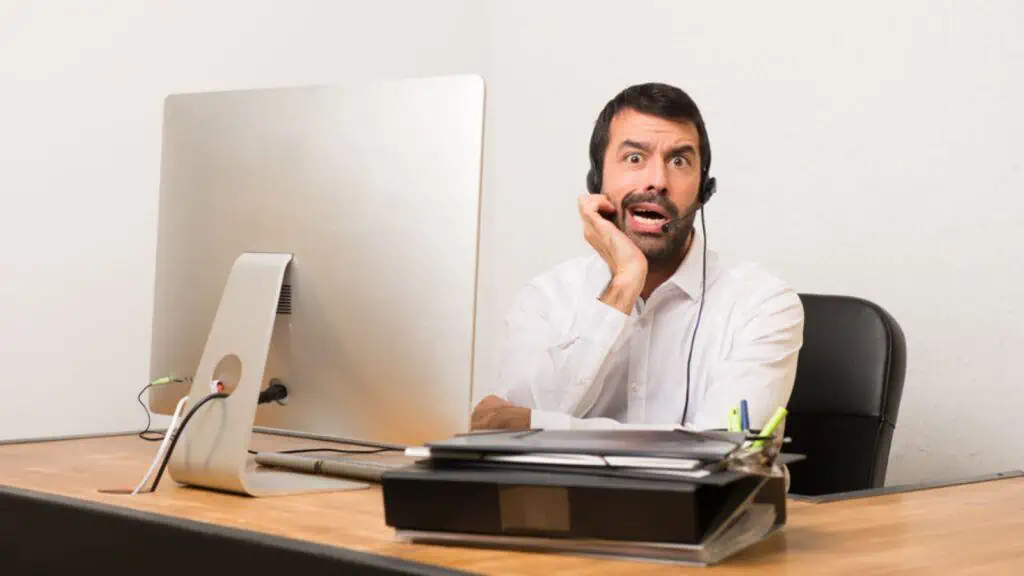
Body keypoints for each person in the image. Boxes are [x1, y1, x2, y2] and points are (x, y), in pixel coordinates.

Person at [471, 82, 805, 432]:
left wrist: (551, 428)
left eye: (679, 161)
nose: (657, 181)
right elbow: (511, 442)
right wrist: (624, 283)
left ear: (704, 190)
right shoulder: (544, 299)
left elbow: (724, 456)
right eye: (634, 158)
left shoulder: (763, 304)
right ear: (596, 180)